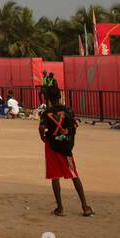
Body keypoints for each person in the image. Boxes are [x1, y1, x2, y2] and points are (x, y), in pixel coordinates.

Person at [39, 86, 93, 217]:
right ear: (59, 96)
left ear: (48, 99)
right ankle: (85, 206)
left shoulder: (47, 112)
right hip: (65, 147)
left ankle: (60, 208)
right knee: (74, 175)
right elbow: (74, 126)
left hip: (51, 146)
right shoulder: (68, 110)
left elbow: (42, 127)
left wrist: (43, 137)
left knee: (54, 176)